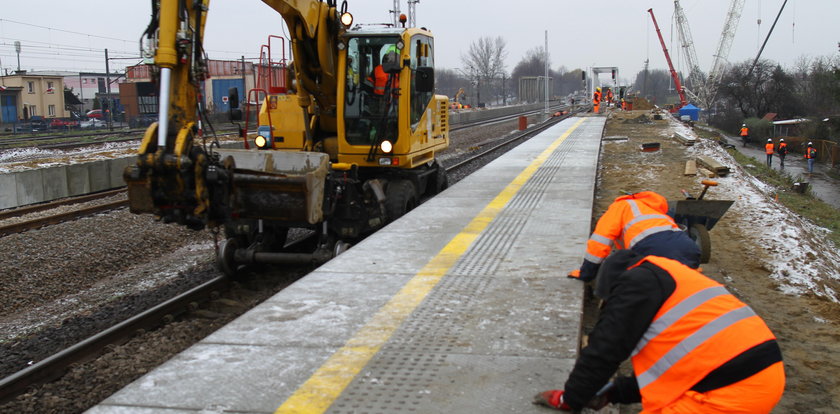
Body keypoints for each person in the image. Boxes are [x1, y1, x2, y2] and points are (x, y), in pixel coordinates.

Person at [535, 250, 785, 413]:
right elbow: (677, 365)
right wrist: (615, 392)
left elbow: (604, 350)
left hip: (731, 388)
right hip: (759, 375)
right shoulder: (670, 277)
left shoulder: (633, 286)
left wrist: (570, 399)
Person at [567, 191, 700, 282]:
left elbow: (599, 242)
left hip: (652, 249)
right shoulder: (655, 211)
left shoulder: (620, 206)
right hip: (688, 247)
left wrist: (586, 274)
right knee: (683, 288)